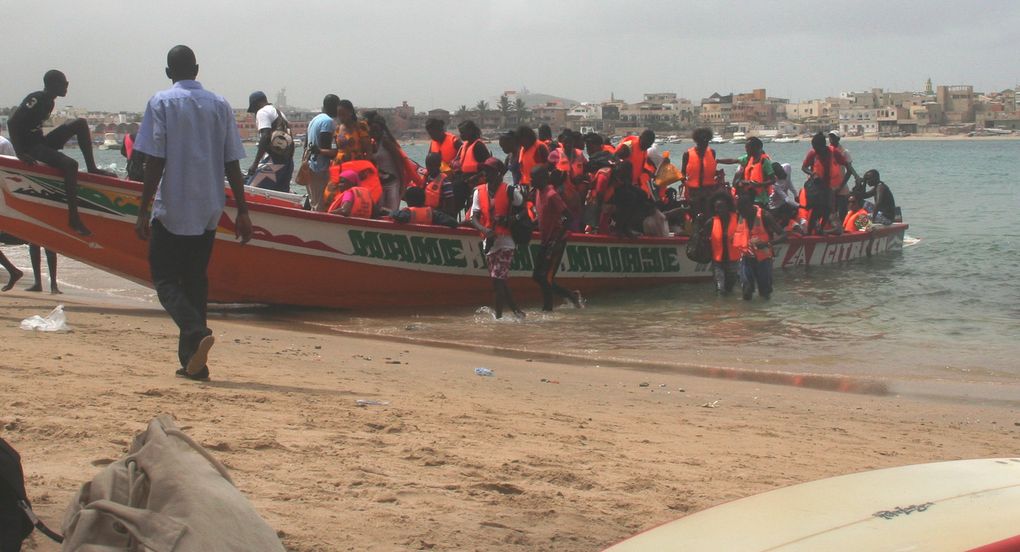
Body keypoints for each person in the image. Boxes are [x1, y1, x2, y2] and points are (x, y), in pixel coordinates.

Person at [133, 45, 252, 382]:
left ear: (169, 72)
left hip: (173, 205)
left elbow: (154, 159)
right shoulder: (220, 104)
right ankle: (193, 363)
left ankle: (195, 331)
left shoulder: (161, 102)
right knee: (196, 279)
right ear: (196, 69)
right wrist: (243, 210)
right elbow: (233, 163)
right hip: (208, 206)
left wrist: (142, 209)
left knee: (165, 279)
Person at [8, 70, 117, 236]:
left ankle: (92, 167)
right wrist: (20, 154)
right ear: (53, 84)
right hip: (31, 147)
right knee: (71, 165)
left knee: (80, 123)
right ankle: (73, 218)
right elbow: (12, 122)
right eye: (64, 83)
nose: (67, 86)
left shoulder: (50, 102)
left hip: (41, 142)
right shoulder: (36, 98)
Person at [470, 157, 524, 320]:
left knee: (497, 280)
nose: (486, 173)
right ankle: (517, 312)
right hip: (489, 242)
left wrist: (509, 220)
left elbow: (523, 211)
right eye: (485, 170)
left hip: (506, 242)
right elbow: (474, 218)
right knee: (498, 281)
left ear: (499, 173)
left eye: (490, 171)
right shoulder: (478, 191)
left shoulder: (510, 191)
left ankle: (499, 317)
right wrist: (485, 230)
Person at [531, 166, 582, 311]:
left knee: (546, 278)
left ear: (542, 179)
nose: (530, 180)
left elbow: (569, 217)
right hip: (545, 241)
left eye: (533, 178)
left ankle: (547, 310)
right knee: (536, 276)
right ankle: (571, 295)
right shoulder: (538, 193)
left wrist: (556, 240)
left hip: (556, 241)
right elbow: (543, 215)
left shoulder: (552, 194)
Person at [802, 132, 858, 234]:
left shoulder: (861, 216)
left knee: (829, 211)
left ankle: (822, 232)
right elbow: (804, 167)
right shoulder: (813, 153)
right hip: (816, 189)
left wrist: (840, 186)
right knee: (816, 211)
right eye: (850, 202)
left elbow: (848, 168)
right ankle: (812, 233)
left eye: (852, 203)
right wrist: (813, 174)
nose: (850, 204)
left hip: (829, 188)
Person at [734, 192, 786, 300]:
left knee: (764, 292)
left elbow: (784, 235)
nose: (743, 214)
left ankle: (764, 314)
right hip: (746, 258)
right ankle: (750, 315)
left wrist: (767, 244)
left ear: (750, 206)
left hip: (764, 260)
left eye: (744, 211)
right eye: (740, 211)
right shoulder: (741, 215)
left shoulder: (765, 215)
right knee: (746, 291)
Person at [245, 91, 293, 193]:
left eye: (253, 109)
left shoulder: (262, 112)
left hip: (274, 162)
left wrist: (255, 163)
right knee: (281, 195)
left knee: (251, 191)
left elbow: (265, 136)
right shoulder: (280, 113)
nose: (254, 113)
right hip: (287, 162)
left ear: (257, 104)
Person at [304, 94, 340, 212]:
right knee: (320, 204)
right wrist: (337, 152)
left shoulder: (315, 119)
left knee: (313, 201)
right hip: (320, 168)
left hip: (309, 165)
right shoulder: (328, 122)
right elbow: (325, 148)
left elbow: (306, 144)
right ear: (334, 107)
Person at [365, 113, 406, 212]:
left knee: (392, 213)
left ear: (381, 129)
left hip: (393, 183)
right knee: (379, 213)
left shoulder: (386, 142)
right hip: (380, 184)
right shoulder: (374, 144)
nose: (374, 132)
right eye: (372, 130)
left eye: (376, 130)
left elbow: (399, 163)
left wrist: (402, 185)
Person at [680, 128, 720, 218]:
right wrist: (684, 182)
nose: (705, 144)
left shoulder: (712, 152)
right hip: (693, 190)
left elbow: (711, 168)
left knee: (708, 213)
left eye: (707, 142)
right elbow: (682, 173)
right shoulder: (687, 154)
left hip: (709, 189)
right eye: (702, 142)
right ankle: (695, 231)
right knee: (694, 214)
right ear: (697, 141)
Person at [727, 137, 775, 206]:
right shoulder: (747, 160)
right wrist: (747, 182)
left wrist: (759, 184)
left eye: (748, 147)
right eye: (746, 147)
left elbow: (773, 180)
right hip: (748, 197)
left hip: (760, 199)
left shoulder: (765, 162)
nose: (746, 149)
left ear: (756, 148)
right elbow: (733, 161)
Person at [708, 191, 740, 294]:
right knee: (720, 289)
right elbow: (701, 237)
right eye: (716, 207)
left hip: (733, 261)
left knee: (730, 289)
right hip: (718, 261)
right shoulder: (711, 221)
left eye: (721, 207)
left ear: (728, 206)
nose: (718, 210)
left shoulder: (738, 218)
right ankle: (719, 308)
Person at [390, 186, 458, 228]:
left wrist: (390, 212)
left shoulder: (407, 213)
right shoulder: (433, 214)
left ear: (408, 201)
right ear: (424, 200)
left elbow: (396, 215)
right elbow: (453, 222)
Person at [334, 99, 372, 164]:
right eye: (339, 115)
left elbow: (368, 149)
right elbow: (334, 147)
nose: (341, 117)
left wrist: (366, 165)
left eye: (343, 114)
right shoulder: (337, 129)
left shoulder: (360, 127)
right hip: (340, 165)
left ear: (350, 112)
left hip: (356, 164)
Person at [828, 131, 856, 221]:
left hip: (841, 185)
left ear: (838, 139)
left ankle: (842, 227)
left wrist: (841, 186)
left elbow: (849, 170)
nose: (831, 139)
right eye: (830, 137)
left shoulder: (844, 152)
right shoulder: (827, 150)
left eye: (833, 137)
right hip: (829, 185)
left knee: (842, 210)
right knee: (831, 210)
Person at [768, 162, 800, 228]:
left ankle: (790, 224)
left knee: (795, 211)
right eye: (781, 176)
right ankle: (780, 229)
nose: (784, 177)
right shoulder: (775, 184)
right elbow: (787, 199)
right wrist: (800, 206)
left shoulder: (787, 167)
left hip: (784, 202)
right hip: (774, 205)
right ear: (776, 176)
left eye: (783, 174)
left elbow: (789, 182)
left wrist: (795, 194)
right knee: (785, 218)